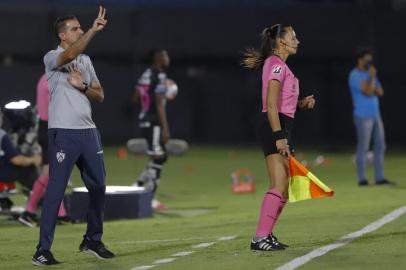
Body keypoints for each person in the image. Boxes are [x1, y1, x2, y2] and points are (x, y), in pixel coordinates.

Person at [32, 6, 115, 266]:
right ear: (63, 36)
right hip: (64, 133)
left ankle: (92, 239)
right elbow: (71, 53)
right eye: (75, 28)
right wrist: (93, 30)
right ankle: (42, 250)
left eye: (81, 27)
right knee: (56, 191)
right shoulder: (52, 57)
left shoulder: (85, 61)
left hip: (88, 131)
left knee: (99, 186)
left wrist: (83, 86)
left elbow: (100, 95)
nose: (79, 31)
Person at [242, 24, 315, 251]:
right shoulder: (275, 65)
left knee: (285, 186)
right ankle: (259, 238)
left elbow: (284, 104)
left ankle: (266, 234)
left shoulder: (280, 66)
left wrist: (301, 105)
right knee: (279, 183)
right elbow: (271, 105)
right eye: (293, 37)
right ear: (281, 42)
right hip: (274, 127)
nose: (298, 41)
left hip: (282, 127)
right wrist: (279, 137)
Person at [18, 74, 69, 228]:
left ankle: (60, 214)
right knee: (52, 174)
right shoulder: (56, 79)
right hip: (52, 129)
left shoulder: (44, 78)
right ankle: (29, 212)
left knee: (54, 174)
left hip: (45, 128)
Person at [348, 48, 394, 186]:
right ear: (360, 60)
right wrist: (371, 78)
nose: (369, 62)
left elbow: (380, 92)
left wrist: (371, 80)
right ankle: (362, 179)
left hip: (375, 115)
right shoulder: (354, 75)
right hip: (362, 116)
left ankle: (379, 178)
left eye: (370, 59)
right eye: (366, 59)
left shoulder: (370, 74)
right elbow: (368, 91)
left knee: (380, 145)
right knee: (364, 147)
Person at [133, 49, 171, 210]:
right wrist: (165, 128)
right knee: (158, 157)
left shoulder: (146, 74)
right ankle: (150, 197)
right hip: (154, 121)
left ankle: (138, 185)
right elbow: (159, 103)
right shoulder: (160, 76)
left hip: (144, 119)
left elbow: (135, 97)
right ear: (158, 58)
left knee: (160, 157)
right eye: (165, 55)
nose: (168, 58)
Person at [0, 111, 42, 211]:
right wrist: (34, 160)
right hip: (3, 173)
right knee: (28, 169)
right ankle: (41, 202)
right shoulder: (1, 135)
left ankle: (4, 200)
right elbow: (16, 160)